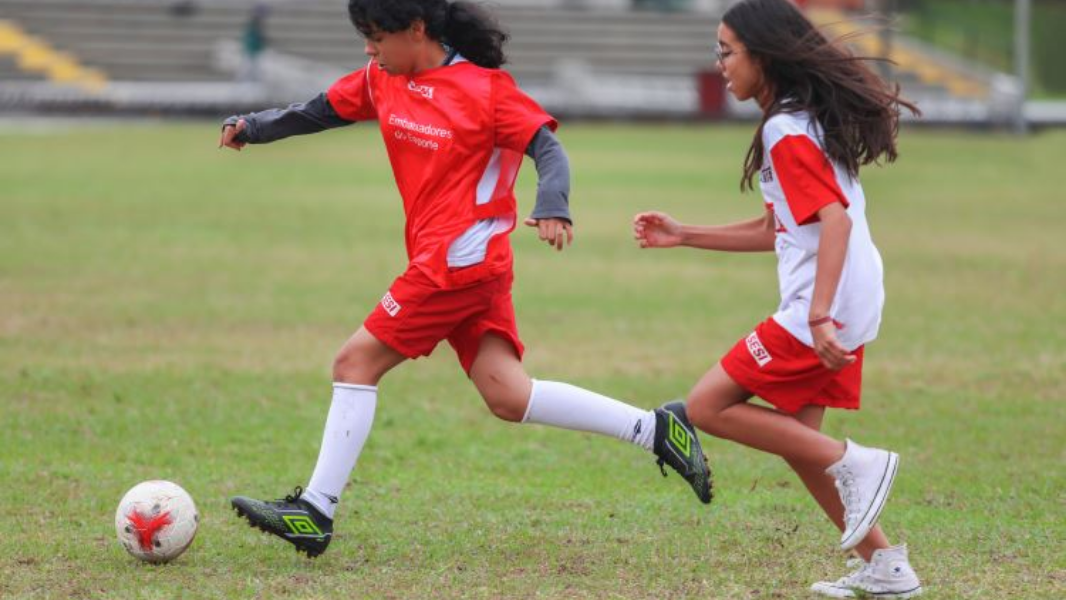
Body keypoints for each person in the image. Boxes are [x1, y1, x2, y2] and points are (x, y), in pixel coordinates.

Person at [217, 0, 711, 559]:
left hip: (456, 262)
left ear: (418, 29)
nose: (367, 48)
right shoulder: (383, 78)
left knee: (353, 364)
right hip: (466, 264)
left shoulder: (486, 90)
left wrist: (554, 204)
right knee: (508, 393)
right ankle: (658, 430)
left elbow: (547, 147)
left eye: (376, 35)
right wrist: (253, 127)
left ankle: (315, 510)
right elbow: (319, 110)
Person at [632, 0, 922, 597]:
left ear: (763, 56)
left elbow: (833, 222)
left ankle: (858, 461)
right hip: (852, 296)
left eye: (726, 51)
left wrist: (816, 316)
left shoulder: (785, 128)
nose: (719, 64)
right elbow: (779, 229)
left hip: (827, 304)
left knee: (708, 405)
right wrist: (685, 234)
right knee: (800, 443)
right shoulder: (800, 121)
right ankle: (887, 565)